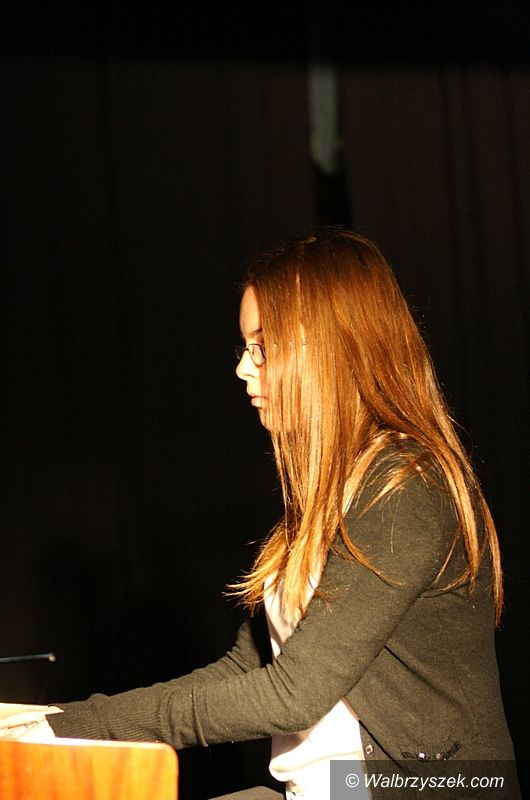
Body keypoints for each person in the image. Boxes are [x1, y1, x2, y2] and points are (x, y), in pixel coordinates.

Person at [0, 228, 519, 799]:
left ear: (331, 348)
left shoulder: (403, 488)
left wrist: (61, 731)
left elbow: (292, 694)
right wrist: (57, 724)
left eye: (263, 348)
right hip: (336, 789)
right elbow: (247, 669)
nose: (243, 370)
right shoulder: (331, 490)